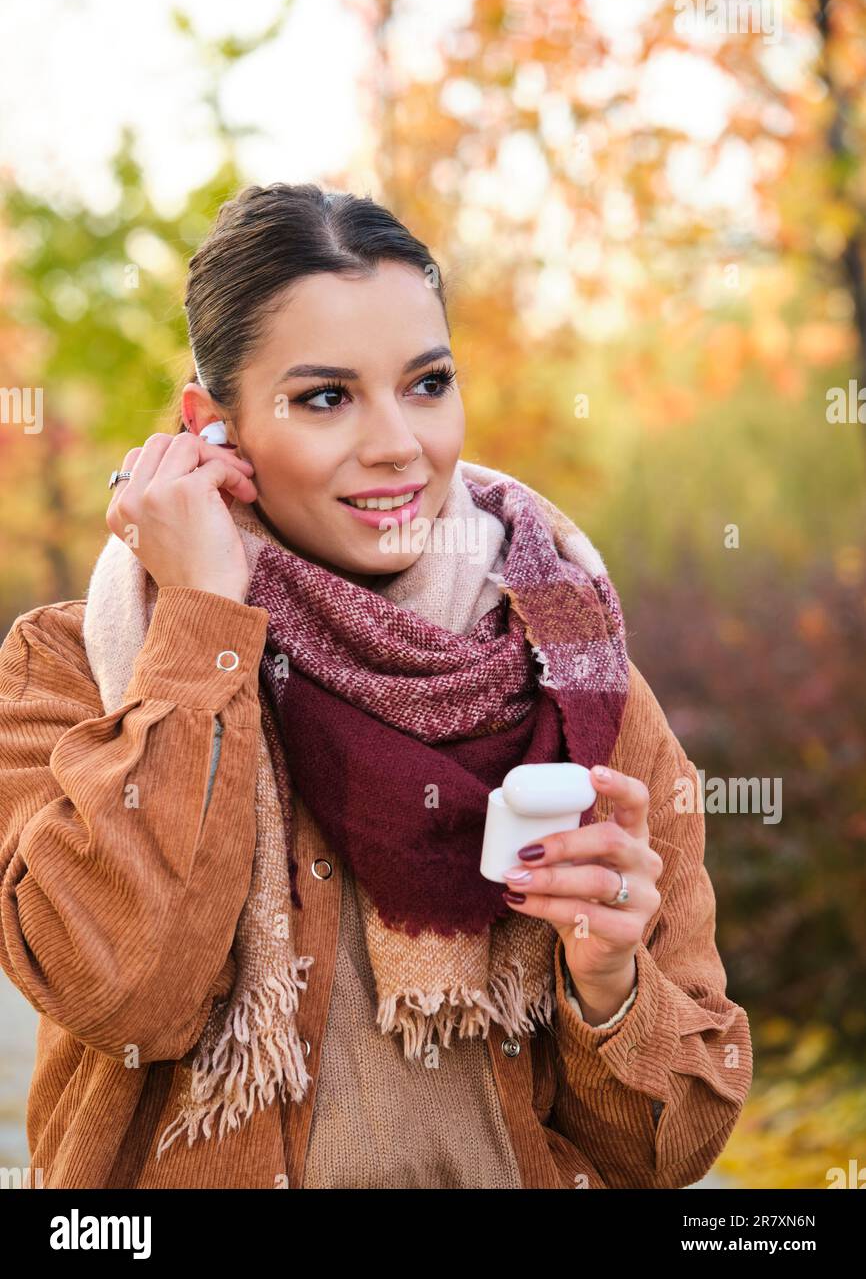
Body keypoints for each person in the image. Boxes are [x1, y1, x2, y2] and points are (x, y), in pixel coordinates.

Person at [0, 181, 752, 1190]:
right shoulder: (72, 668)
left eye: (427, 382)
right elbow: (128, 993)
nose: (397, 442)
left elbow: (668, 1152)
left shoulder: (578, 676)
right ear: (208, 428)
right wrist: (201, 626)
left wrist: (610, 982)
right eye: (325, 396)